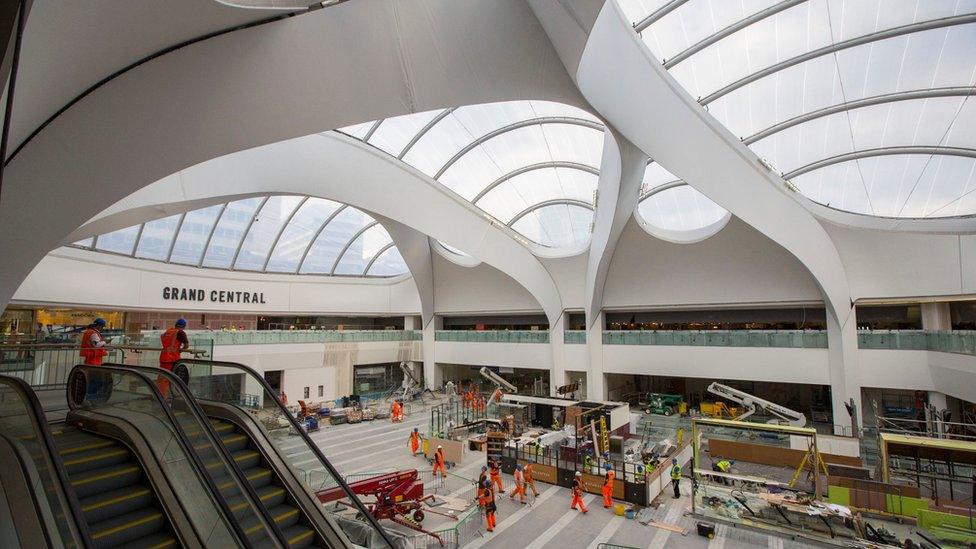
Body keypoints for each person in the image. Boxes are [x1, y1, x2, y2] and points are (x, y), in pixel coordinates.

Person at [157, 318, 189, 398]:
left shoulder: (168, 332)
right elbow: (186, 346)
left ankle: (159, 396)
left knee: (162, 378)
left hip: (164, 357)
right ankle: (163, 398)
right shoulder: (180, 332)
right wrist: (180, 349)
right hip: (172, 358)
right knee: (169, 379)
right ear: (184, 326)